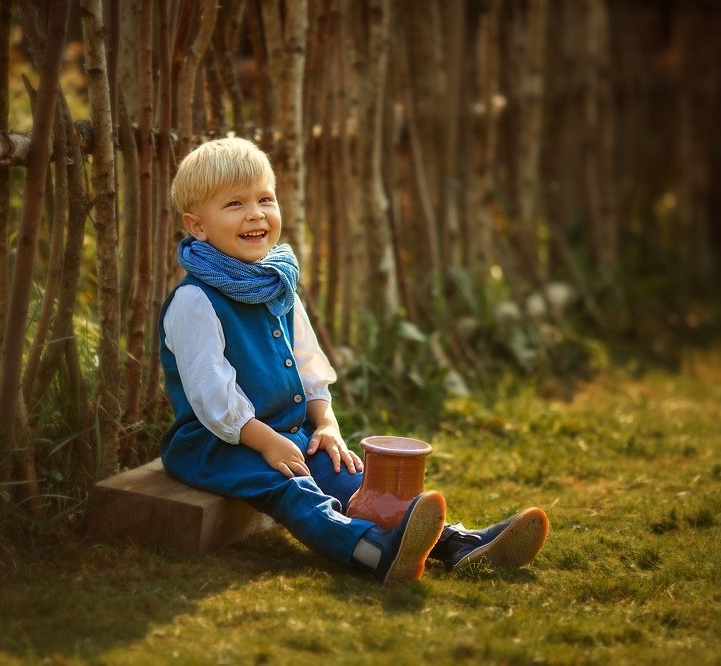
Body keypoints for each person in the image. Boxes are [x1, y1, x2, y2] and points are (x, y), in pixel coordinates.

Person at [159, 137, 548, 584]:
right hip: (216, 445)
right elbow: (212, 395)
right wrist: (264, 441)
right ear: (198, 226)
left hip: (287, 432)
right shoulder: (194, 301)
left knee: (353, 480)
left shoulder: (274, 283)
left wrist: (325, 423)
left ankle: (459, 543)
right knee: (293, 489)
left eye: (265, 198)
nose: (255, 213)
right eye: (234, 204)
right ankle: (371, 553)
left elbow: (306, 363)